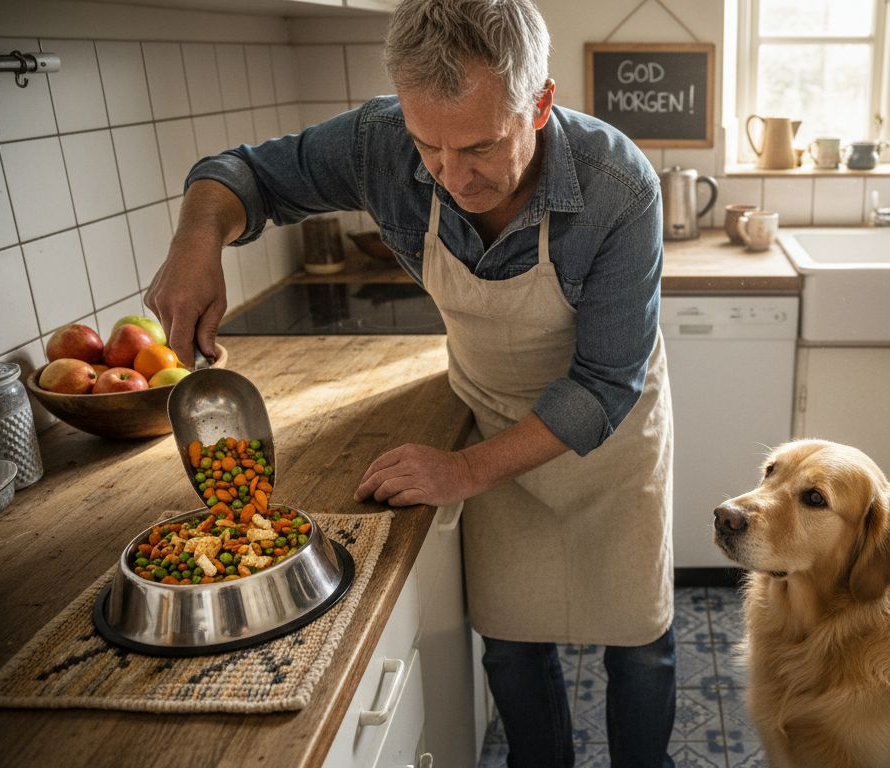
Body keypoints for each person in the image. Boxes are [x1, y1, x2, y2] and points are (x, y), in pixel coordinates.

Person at [144, 0, 676, 764]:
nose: (453, 177)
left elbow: (602, 384)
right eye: (429, 146)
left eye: (481, 147)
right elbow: (242, 175)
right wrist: (198, 237)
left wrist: (462, 470)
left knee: (639, 638)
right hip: (491, 413)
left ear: (542, 103)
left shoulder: (618, 186)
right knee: (514, 640)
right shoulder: (380, 140)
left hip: (611, 435)